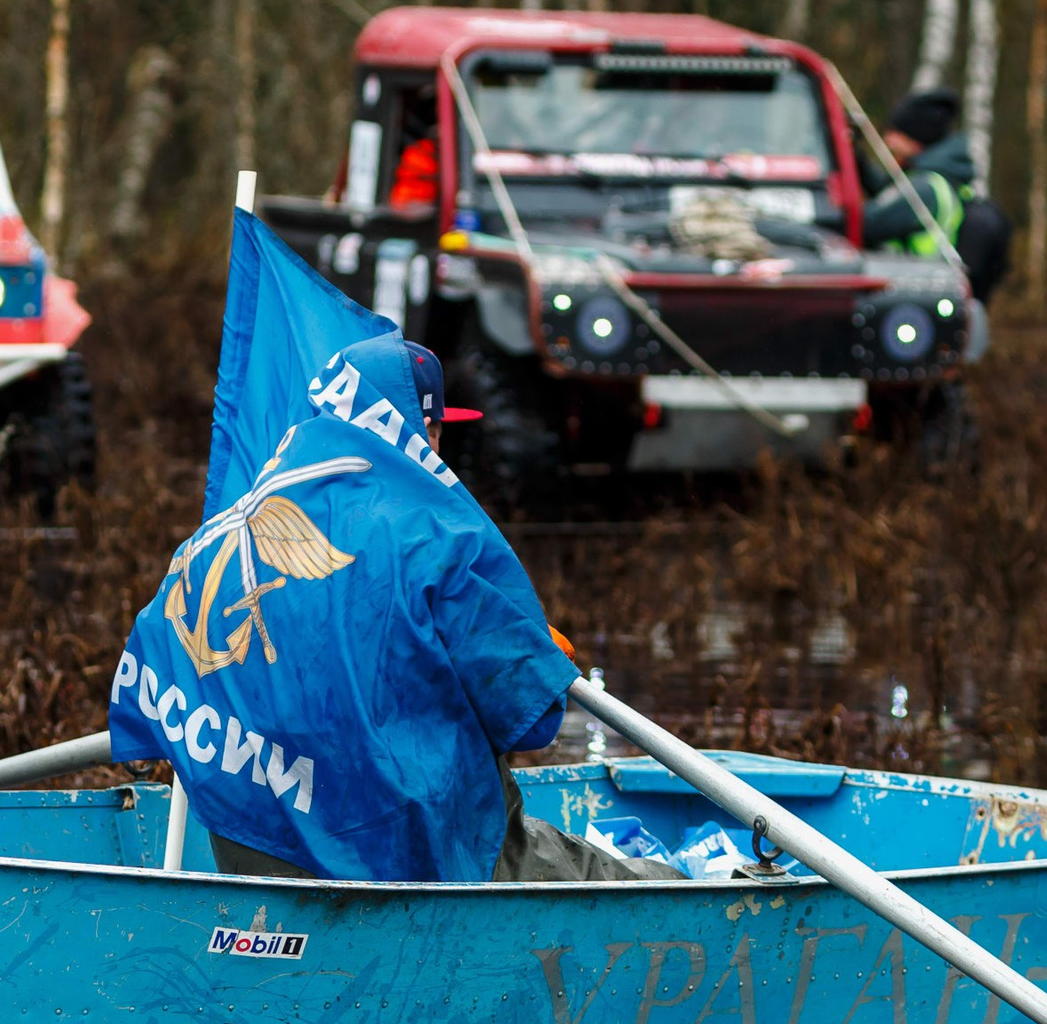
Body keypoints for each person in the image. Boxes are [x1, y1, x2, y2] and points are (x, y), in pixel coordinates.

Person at [106, 333, 681, 885]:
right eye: (437, 432)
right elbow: (532, 724)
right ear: (418, 429)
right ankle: (689, 888)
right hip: (406, 854)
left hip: (254, 848)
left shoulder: (217, 534)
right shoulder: (434, 539)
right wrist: (535, 663)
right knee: (649, 882)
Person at [860, 86, 1012, 301]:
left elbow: (869, 221)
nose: (888, 140)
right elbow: (889, 193)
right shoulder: (939, 179)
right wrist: (859, 162)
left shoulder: (926, 188)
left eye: (896, 132)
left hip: (913, 293)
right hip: (925, 293)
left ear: (915, 138)